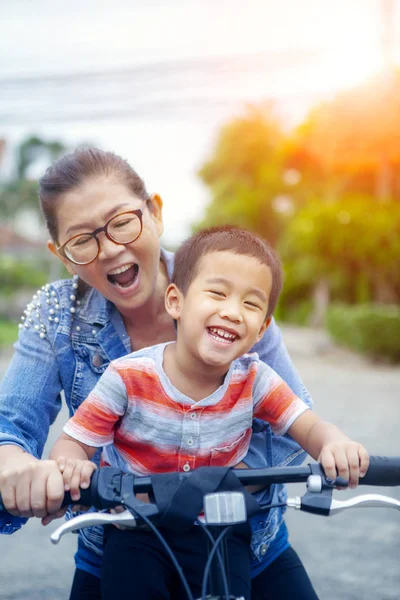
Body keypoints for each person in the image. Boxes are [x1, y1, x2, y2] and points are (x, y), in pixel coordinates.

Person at [0, 147, 316, 599]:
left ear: (155, 213)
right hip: (121, 549)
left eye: (122, 222)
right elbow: (12, 425)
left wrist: (213, 483)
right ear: (63, 255)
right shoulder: (56, 314)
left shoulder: (227, 292)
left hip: (239, 548)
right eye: (82, 240)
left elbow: (292, 426)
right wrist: (15, 465)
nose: (110, 248)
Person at [49, 225, 369, 600]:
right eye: (217, 293)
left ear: (262, 328)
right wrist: (71, 467)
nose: (233, 312)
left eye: (251, 304)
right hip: (137, 530)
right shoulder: (128, 377)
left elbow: (309, 427)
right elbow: (73, 444)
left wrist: (334, 443)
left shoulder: (255, 379)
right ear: (176, 302)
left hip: (222, 528)